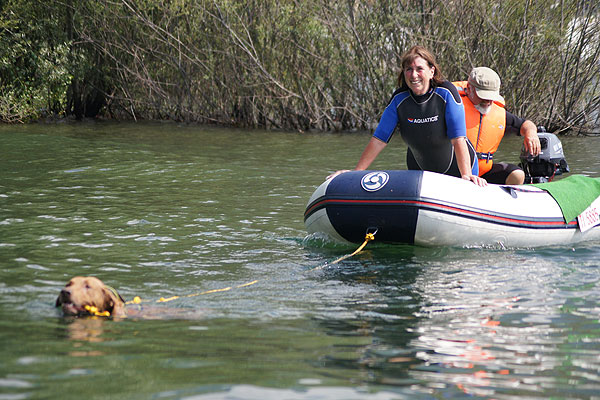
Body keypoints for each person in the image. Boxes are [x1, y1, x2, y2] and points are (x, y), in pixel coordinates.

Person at [328, 45, 486, 186]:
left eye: (419, 69)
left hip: (459, 170)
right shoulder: (399, 100)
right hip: (420, 172)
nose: (413, 74)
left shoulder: (446, 93)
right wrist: (356, 173)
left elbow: (458, 139)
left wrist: (467, 175)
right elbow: (379, 140)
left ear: (432, 71)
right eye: (408, 69)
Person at [454, 67, 541, 185]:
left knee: (517, 174)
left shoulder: (497, 112)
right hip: (454, 172)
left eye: (491, 97)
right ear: (469, 89)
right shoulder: (451, 105)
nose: (488, 101)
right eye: (483, 96)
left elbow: (526, 124)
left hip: (483, 173)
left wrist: (531, 133)